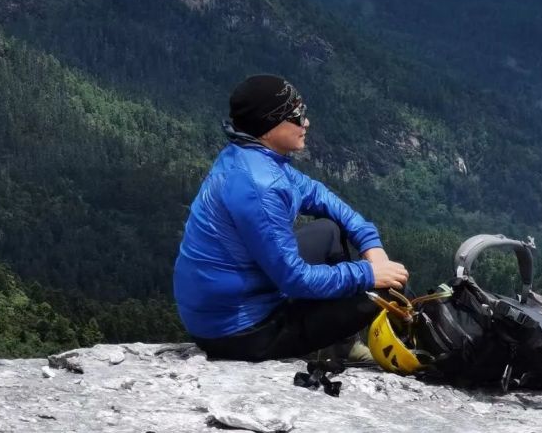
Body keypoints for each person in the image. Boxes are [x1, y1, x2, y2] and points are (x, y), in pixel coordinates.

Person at [173, 74, 409, 362]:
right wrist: (369, 273)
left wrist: (370, 244)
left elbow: (317, 195)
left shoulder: (251, 155)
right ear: (268, 125)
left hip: (222, 306)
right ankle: (405, 354)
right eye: (297, 116)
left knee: (328, 230)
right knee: (387, 289)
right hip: (239, 332)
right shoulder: (260, 185)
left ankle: (340, 344)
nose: (306, 123)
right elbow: (295, 280)